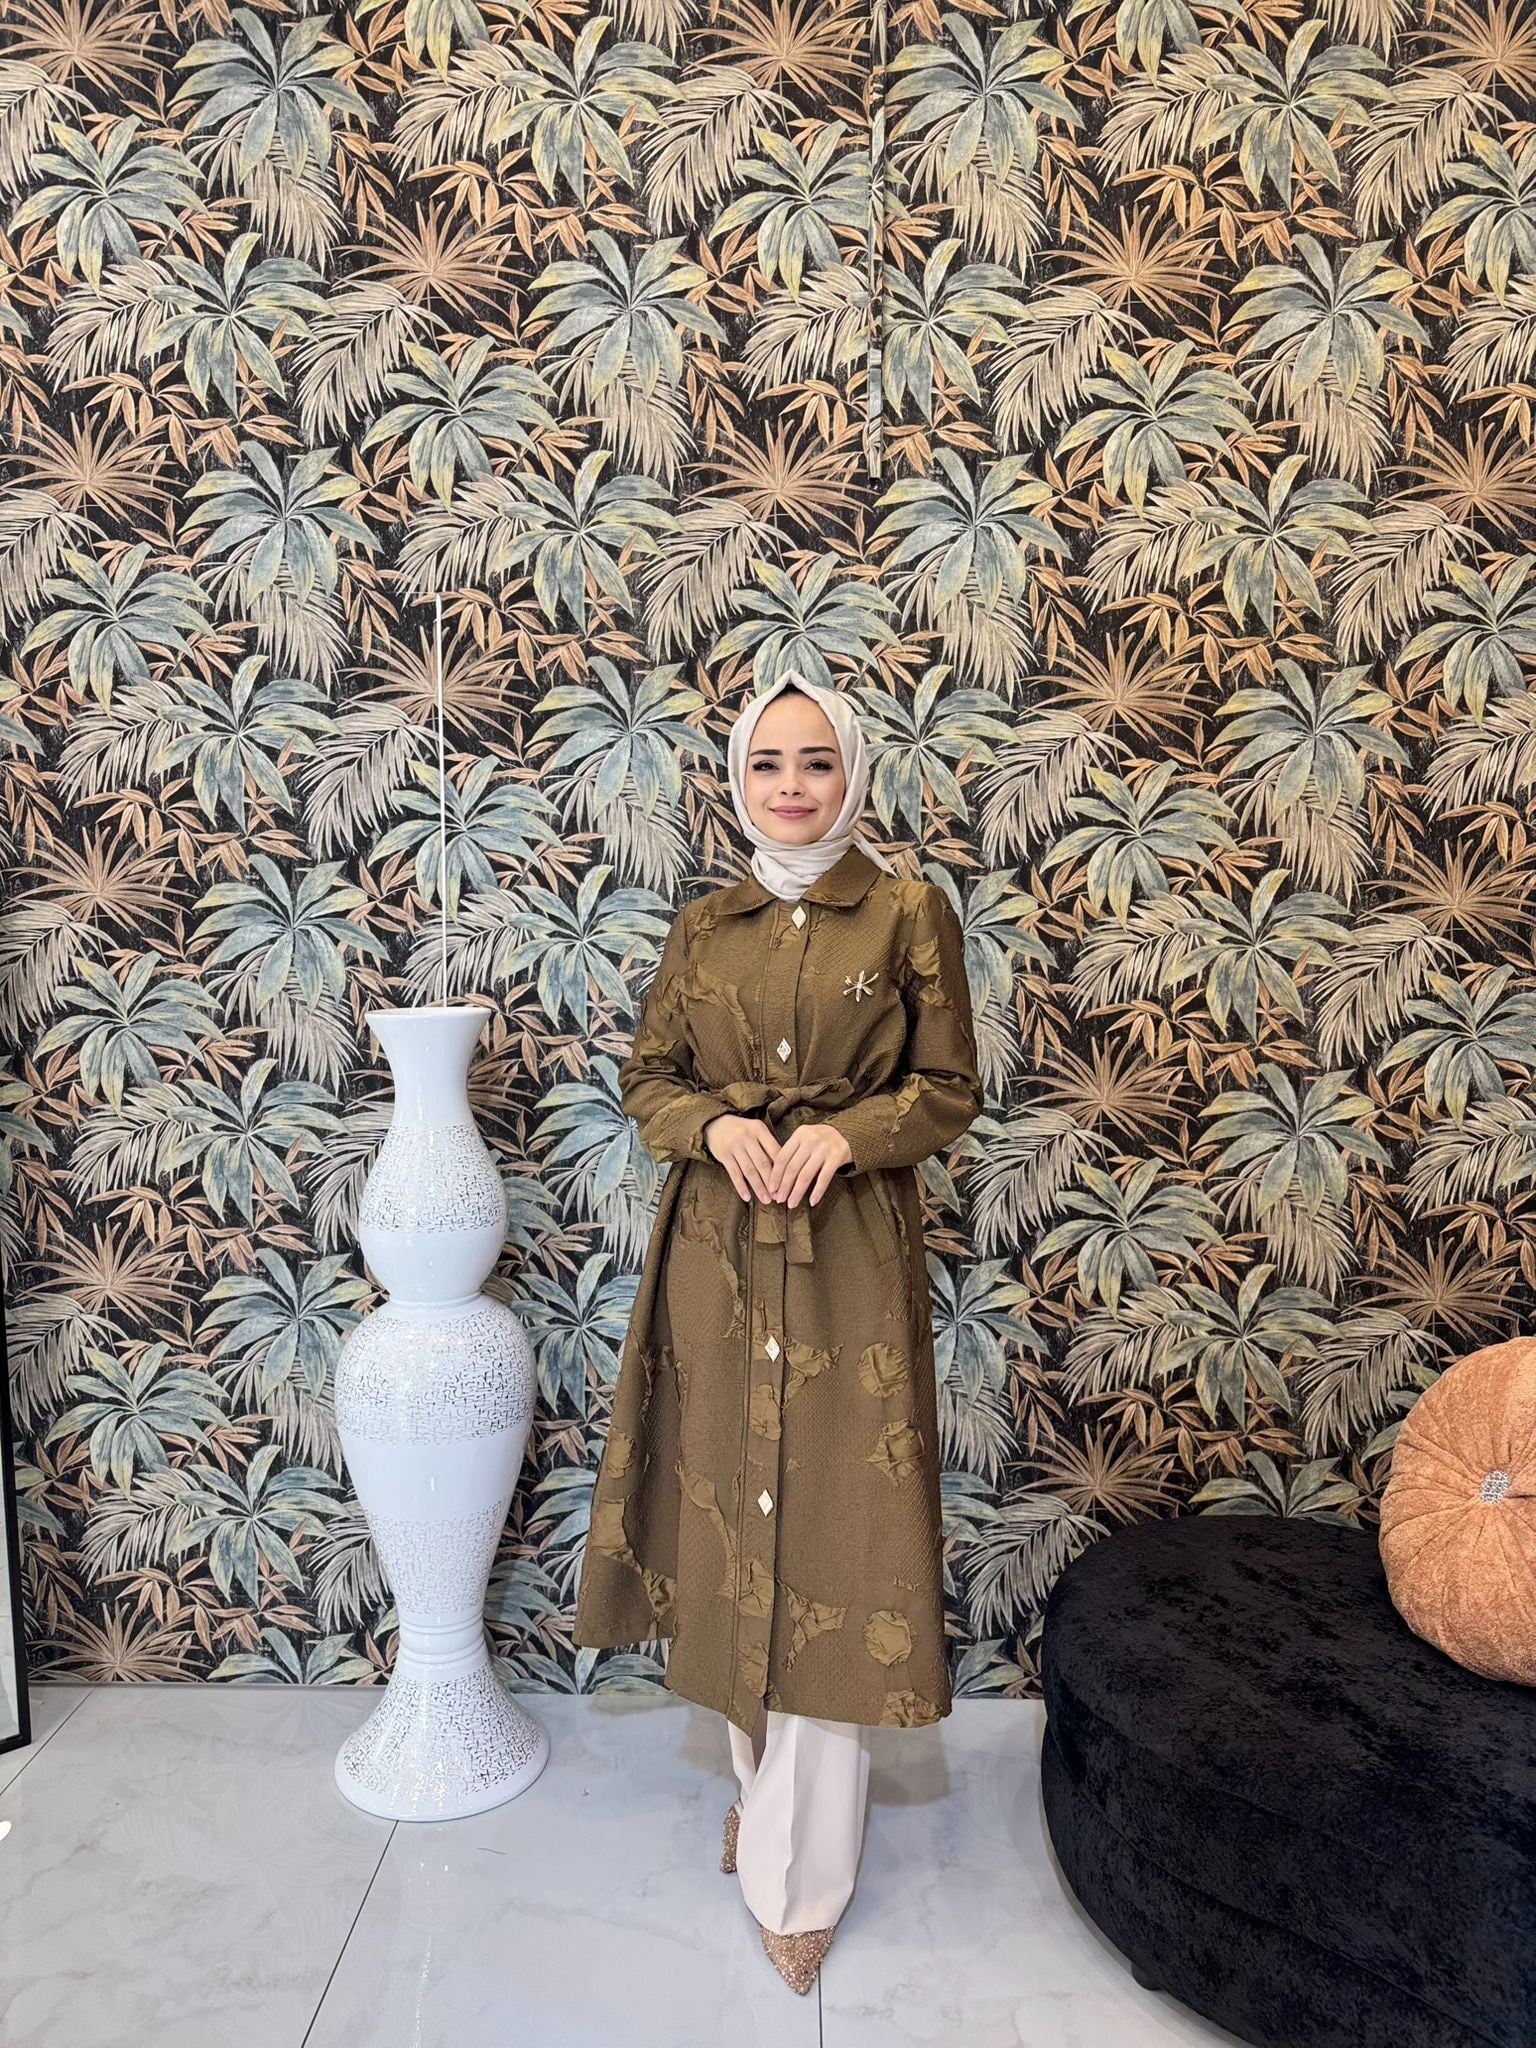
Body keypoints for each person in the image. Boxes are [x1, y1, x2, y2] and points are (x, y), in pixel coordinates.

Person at [572, 670, 984, 1991]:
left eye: (817, 762)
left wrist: (847, 1137)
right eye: (767, 763)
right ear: (737, 780)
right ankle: (767, 1808)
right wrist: (713, 1125)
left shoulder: (909, 912)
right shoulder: (705, 926)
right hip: (716, 1257)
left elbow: (948, 1086)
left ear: (853, 774)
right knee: (737, 1516)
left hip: (846, 1258)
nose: (792, 786)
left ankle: (802, 1873)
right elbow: (649, 1076)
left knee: (829, 1532)